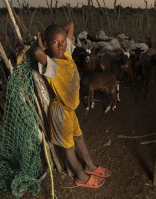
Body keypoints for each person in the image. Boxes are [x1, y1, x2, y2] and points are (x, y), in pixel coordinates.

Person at [34, 21, 111, 188]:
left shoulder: (67, 54)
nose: (61, 45)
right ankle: (81, 177)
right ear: (47, 45)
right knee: (68, 148)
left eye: (63, 41)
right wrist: (41, 44)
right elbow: (37, 52)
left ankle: (90, 166)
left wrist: (59, 35)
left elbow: (71, 25)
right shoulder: (51, 65)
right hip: (61, 113)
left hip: (71, 111)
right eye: (55, 43)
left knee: (80, 138)